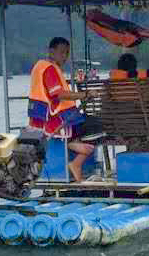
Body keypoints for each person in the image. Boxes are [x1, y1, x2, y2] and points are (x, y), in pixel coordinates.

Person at [28, 37, 107, 184]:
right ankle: (77, 158)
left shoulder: (40, 66)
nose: (65, 57)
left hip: (42, 119)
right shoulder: (50, 69)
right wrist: (86, 94)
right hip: (56, 120)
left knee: (88, 124)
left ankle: (78, 149)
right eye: (62, 52)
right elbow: (59, 94)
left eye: (67, 53)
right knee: (98, 126)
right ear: (51, 52)